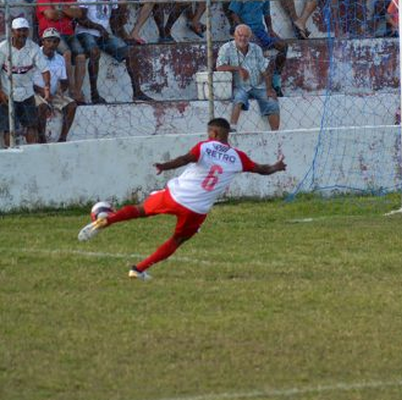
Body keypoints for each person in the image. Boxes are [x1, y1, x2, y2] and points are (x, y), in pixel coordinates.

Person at [77, 117, 287, 280]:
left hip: (175, 195)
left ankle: (107, 219)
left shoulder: (205, 146)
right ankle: (138, 270)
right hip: (196, 210)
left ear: (213, 133)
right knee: (177, 240)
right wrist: (276, 167)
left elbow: (186, 159)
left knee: (140, 210)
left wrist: (164, 166)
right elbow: (262, 169)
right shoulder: (238, 157)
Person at [75, 0, 154, 103]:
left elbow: (114, 17)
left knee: (129, 53)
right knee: (94, 52)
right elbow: (81, 18)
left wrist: (118, 34)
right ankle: (94, 94)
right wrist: (99, 28)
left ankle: (137, 92)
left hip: (104, 33)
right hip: (86, 32)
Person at [230, 0, 289, 97]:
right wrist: (242, 31)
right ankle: (259, 87)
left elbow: (266, 13)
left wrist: (270, 30)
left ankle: (276, 81)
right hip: (247, 31)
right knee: (258, 50)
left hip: (260, 31)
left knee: (283, 46)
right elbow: (233, 13)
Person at [36, 0, 87, 104]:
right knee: (67, 53)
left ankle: (77, 90)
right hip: (51, 33)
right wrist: (67, 11)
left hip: (68, 32)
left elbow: (79, 13)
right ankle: (70, 88)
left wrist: (60, 9)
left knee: (81, 56)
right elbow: (50, 15)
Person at [217, 24, 280, 131]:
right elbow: (219, 67)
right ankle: (233, 128)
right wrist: (239, 69)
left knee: (272, 102)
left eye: (246, 36)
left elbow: (265, 70)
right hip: (240, 85)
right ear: (234, 36)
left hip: (258, 85)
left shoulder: (256, 49)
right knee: (239, 98)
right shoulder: (226, 48)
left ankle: (275, 133)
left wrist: (269, 89)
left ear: (250, 37)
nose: (242, 38)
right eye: (240, 35)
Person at [0, 17, 49, 147]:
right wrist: (0, 92)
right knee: (8, 128)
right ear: (12, 31)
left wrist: (47, 88)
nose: (22, 34)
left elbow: (44, 69)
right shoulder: (3, 48)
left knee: (31, 125)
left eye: (25, 30)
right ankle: (9, 151)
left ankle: (30, 151)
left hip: (27, 93)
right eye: (19, 30)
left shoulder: (33, 48)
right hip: (7, 93)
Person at [33, 28, 77, 143]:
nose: (51, 44)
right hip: (35, 92)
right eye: (48, 41)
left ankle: (62, 138)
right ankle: (42, 139)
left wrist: (62, 89)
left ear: (58, 43)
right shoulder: (34, 55)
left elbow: (63, 81)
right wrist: (42, 91)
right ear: (42, 41)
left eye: (55, 41)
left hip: (52, 93)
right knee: (42, 107)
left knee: (71, 105)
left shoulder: (60, 59)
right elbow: (27, 80)